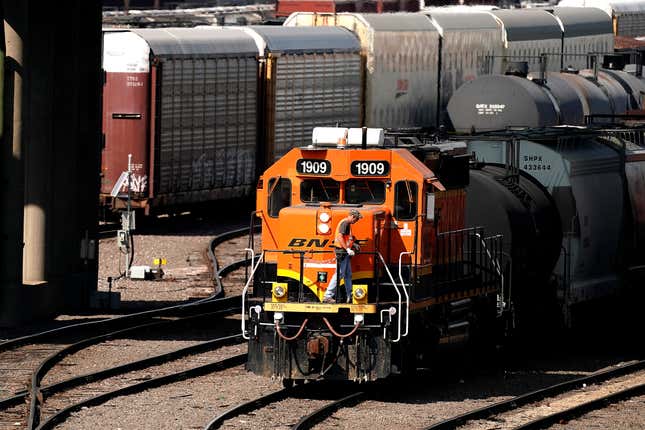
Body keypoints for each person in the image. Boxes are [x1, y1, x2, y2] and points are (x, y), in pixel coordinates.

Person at [323, 209, 363, 303]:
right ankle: (327, 296)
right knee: (339, 274)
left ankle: (350, 295)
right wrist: (347, 249)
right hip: (342, 252)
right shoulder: (345, 223)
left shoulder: (347, 224)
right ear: (353, 217)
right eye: (356, 219)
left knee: (348, 274)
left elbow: (348, 238)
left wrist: (353, 245)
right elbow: (340, 237)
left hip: (344, 252)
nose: (356, 221)